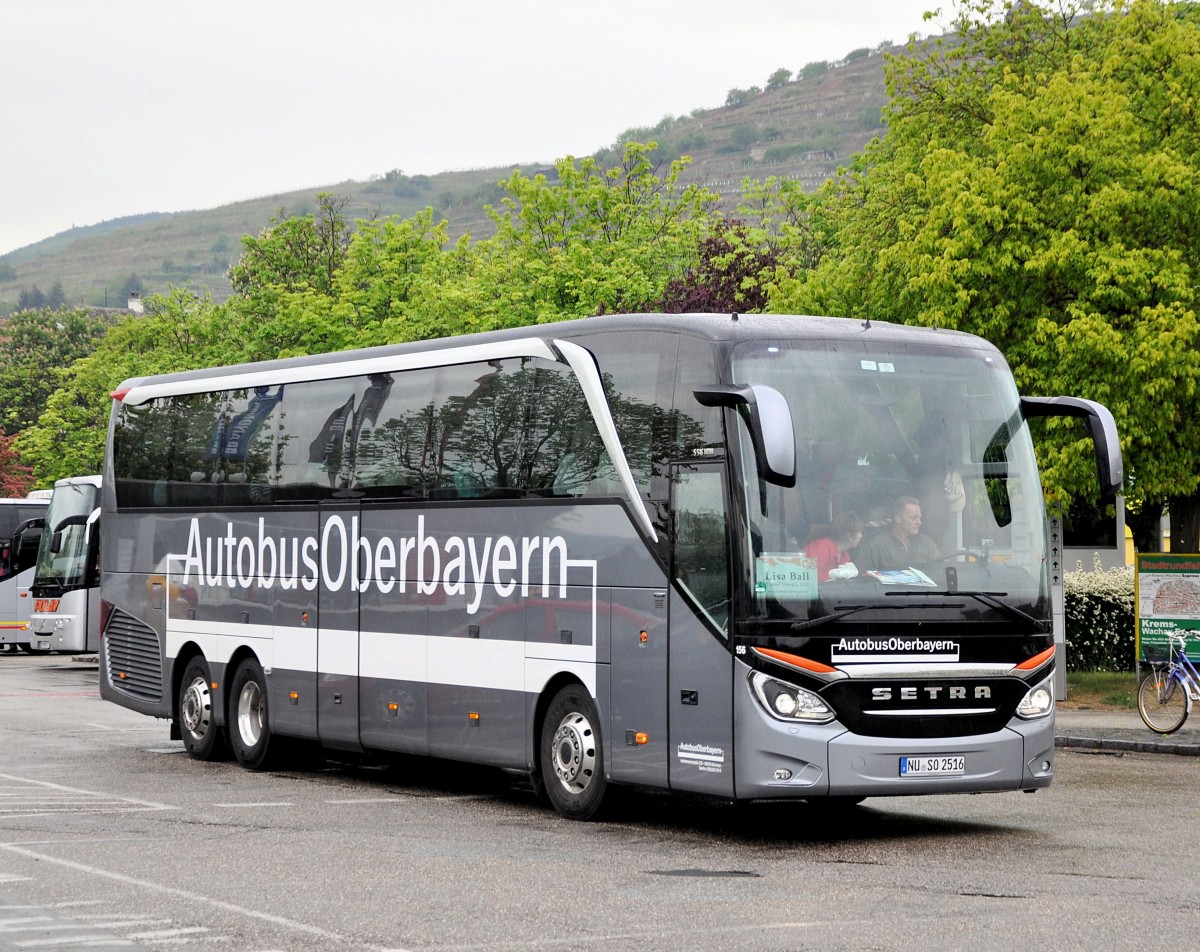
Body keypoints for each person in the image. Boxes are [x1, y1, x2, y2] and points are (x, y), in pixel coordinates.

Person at [856, 496, 940, 570]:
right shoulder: (875, 547)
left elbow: (939, 572)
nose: (919, 522)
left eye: (919, 518)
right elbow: (862, 578)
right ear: (898, 519)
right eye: (914, 518)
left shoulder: (928, 544)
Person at [804, 513, 863, 582]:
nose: (861, 536)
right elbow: (812, 579)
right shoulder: (821, 548)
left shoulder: (845, 556)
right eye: (859, 532)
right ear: (849, 534)